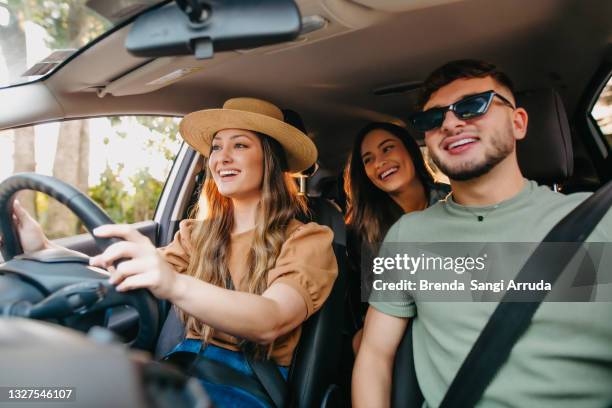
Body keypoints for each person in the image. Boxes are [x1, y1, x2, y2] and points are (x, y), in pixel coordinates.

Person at [11, 97, 338, 407]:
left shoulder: (308, 239)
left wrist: (175, 284)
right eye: (216, 147)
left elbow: (273, 318)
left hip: (246, 385)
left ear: (270, 159)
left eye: (239, 145)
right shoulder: (196, 233)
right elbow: (126, 276)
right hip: (178, 369)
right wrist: (44, 248)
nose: (221, 158)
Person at [352, 60, 612, 407]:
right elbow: (374, 354)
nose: (450, 123)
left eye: (473, 106)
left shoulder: (598, 220)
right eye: (433, 119)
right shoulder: (407, 236)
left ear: (518, 123)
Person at [344, 122, 449, 351]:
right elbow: (375, 310)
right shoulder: (364, 230)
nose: (379, 162)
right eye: (368, 159)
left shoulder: (453, 201)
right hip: (400, 334)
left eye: (387, 148)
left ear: (410, 150)